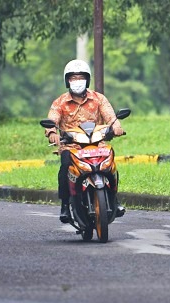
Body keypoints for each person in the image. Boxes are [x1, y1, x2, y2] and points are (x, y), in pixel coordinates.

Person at [44, 59, 126, 223]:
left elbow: (111, 118)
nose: (77, 81)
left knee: (110, 162)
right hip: (72, 147)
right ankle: (65, 205)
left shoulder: (98, 99)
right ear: (67, 80)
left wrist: (116, 127)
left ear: (87, 79)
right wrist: (52, 132)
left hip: (97, 145)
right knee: (65, 165)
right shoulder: (60, 102)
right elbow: (52, 121)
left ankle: (114, 199)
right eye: (73, 78)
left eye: (80, 77)